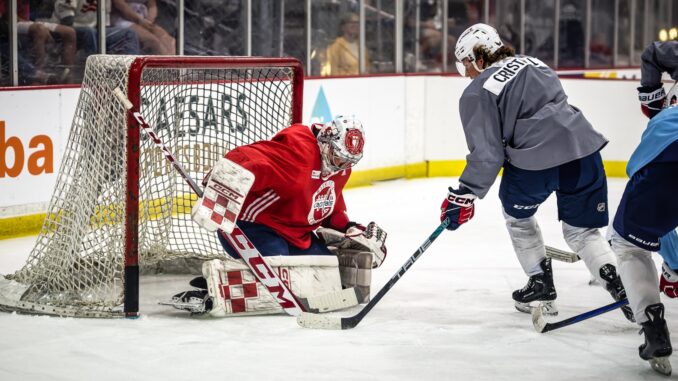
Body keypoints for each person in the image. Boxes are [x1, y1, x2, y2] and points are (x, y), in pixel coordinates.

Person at [439, 23, 632, 321]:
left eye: (465, 64)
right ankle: (622, 285)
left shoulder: (477, 91)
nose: (467, 73)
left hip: (533, 165)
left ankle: (541, 284)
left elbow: (488, 154)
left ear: (478, 58)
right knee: (582, 232)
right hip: (583, 150)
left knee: (517, 216)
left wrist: (464, 194)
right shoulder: (535, 63)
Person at [168, 116, 388, 317]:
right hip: (251, 225)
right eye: (338, 158)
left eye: (349, 161)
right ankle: (214, 290)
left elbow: (327, 203)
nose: (342, 165)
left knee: (325, 268)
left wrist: (351, 228)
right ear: (325, 142)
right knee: (280, 267)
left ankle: (243, 279)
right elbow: (246, 157)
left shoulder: (340, 169)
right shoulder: (297, 155)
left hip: (294, 234)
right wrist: (217, 190)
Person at [607, 40, 678, 375]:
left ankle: (653, 328)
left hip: (670, 145)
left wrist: (652, 98)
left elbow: (655, 53)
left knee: (628, 242)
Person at [110, 0, 175, 55]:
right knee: (154, 42)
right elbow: (120, 6)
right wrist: (140, 21)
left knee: (169, 41)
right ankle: (162, 68)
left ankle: (172, 67)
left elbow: (152, 6)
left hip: (144, 18)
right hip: (123, 18)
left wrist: (149, 21)